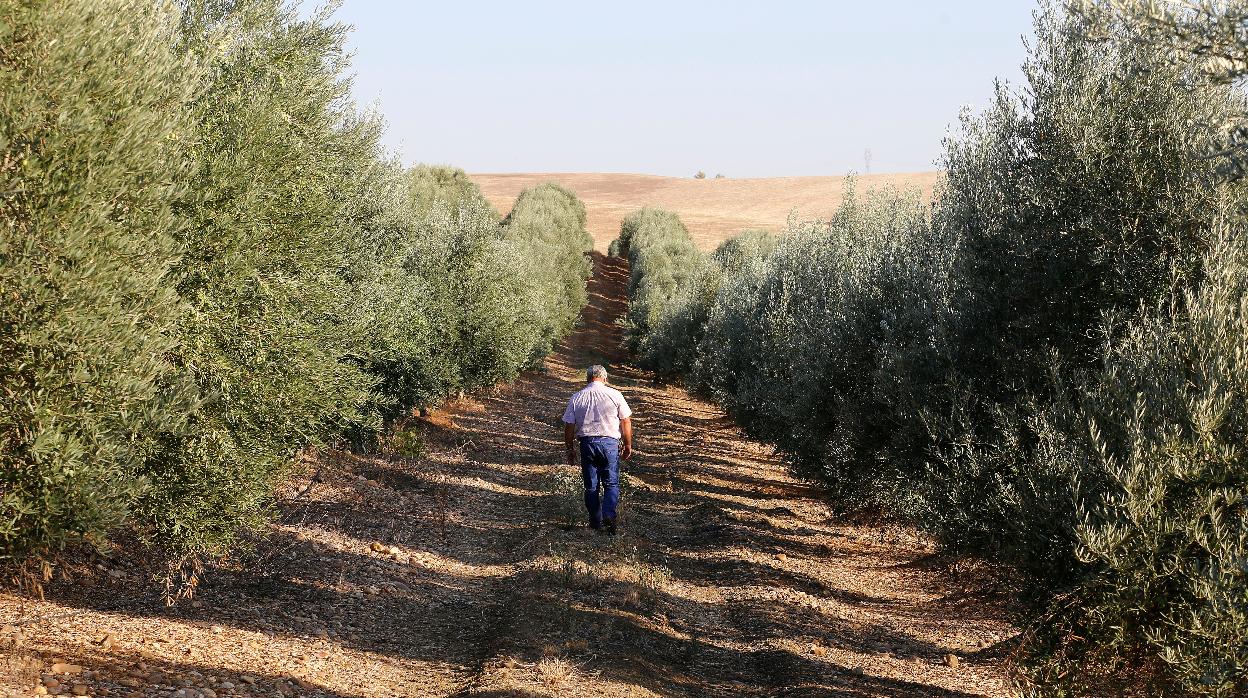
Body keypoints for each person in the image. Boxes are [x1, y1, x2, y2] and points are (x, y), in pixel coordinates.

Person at [561, 365, 633, 534]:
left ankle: (595, 522)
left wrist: (569, 449)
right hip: (609, 444)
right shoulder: (615, 395)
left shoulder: (577, 397)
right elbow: (626, 421)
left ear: (587, 379)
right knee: (611, 484)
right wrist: (628, 444)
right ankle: (608, 516)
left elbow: (569, 426)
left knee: (591, 487)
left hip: (587, 444)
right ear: (605, 379)